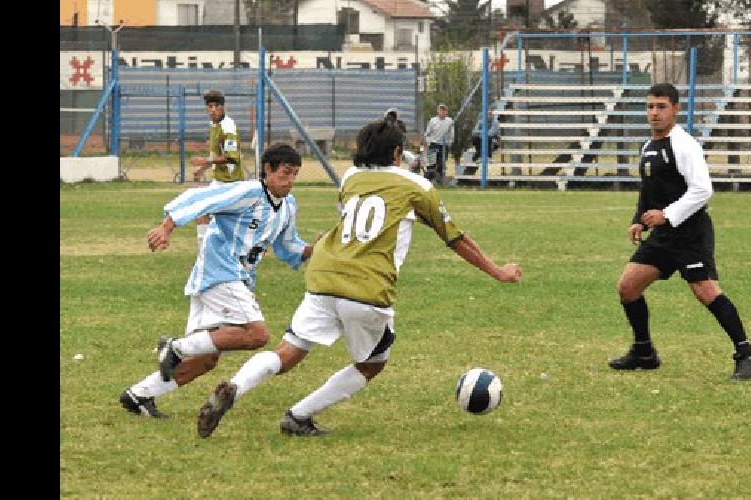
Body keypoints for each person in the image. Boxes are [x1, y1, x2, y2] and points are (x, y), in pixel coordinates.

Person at [194, 120, 522, 438]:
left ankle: (236, 386)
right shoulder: (417, 186)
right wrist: (498, 271)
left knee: (287, 352)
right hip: (366, 287)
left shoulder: (350, 178)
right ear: (396, 151)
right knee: (373, 363)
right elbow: (456, 238)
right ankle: (299, 416)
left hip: (323, 277)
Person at [119, 143, 313, 418]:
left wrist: (316, 250)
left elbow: (288, 245)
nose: (290, 180)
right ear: (267, 169)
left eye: (295, 174)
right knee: (257, 334)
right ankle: (174, 347)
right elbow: (203, 199)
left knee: (206, 358)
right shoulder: (250, 192)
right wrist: (167, 226)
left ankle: (139, 395)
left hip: (233, 279)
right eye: (285, 173)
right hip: (221, 272)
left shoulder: (288, 206)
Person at [608, 83, 751, 380]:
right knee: (628, 288)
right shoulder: (648, 147)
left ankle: (748, 353)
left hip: (690, 234)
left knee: (705, 291)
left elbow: (702, 191)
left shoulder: (684, 145)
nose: (654, 113)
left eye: (661, 107)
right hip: (663, 236)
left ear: (675, 109)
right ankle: (644, 351)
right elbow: (649, 191)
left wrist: (667, 215)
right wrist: (639, 220)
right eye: (650, 107)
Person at [189, 90, 246, 250]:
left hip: (231, 183)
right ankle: (206, 252)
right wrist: (202, 169)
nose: (213, 109)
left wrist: (205, 161)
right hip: (219, 182)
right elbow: (217, 155)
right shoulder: (214, 125)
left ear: (223, 107)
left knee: (204, 212)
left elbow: (231, 157)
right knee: (202, 212)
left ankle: (206, 253)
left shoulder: (227, 126)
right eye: (210, 106)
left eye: (217, 106)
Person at [423, 103, 454, 185]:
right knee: (431, 163)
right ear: (438, 111)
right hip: (434, 144)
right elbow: (427, 133)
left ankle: (439, 180)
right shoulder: (433, 120)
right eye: (441, 110)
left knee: (441, 163)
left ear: (446, 112)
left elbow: (451, 133)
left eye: (444, 110)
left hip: (444, 145)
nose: (442, 112)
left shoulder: (449, 121)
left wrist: (449, 142)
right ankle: (428, 180)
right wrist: (428, 141)